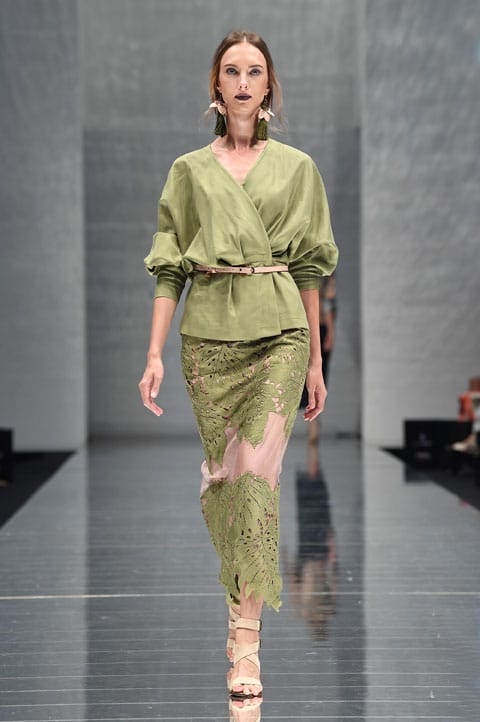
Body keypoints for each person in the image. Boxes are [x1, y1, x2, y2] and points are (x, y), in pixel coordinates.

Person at [138, 30, 339, 700]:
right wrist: (153, 353)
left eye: (255, 71)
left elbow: (309, 269)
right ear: (216, 87)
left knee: (255, 476)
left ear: (269, 85)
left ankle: (246, 645)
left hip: (280, 331)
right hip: (210, 340)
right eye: (232, 71)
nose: (245, 82)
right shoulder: (188, 172)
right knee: (228, 481)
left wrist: (314, 362)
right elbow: (169, 269)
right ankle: (239, 607)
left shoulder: (298, 169)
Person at [299, 271, 337, 443]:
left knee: (317, 374)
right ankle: (313, 426)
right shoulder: (320, 279)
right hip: (314, 329)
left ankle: (313, 426)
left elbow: (327, 306)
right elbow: (327, 305)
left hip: (317, 330)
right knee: (314, 374)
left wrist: (330, 333)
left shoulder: (321, 281)